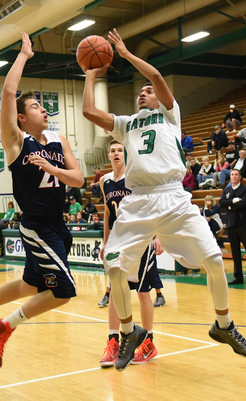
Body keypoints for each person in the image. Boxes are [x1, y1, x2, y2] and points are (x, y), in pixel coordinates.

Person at [82, 28, 246, 371]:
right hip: (139, 201)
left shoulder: (170, 116)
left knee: (215, 260)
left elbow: (157, 75)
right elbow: (89, 111)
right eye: (140, 92)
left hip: (174, 198)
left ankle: (223, 325)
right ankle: (130, 333)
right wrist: (90, 74)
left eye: (148, 91)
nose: (144, 93)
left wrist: (127, 54)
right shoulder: (126, 124)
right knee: (113, 268)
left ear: (160, 100)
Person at [0, 32, 84, 368]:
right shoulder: (16, 142)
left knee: (31, 284)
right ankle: (2, 326)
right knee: (63, 292)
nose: (43, 110)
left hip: (58, 225)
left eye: (42, 106)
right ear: (20, 118)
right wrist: (24, 55)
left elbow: (79, 179)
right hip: (37, 226)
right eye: (34, 107)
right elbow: (8, 93)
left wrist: (52, 168)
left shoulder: (59, 141)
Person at [98, 141, 164, 368]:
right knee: (116, 291)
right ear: (108, 155)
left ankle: (148, 343)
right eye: (113, 150)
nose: (116, 153)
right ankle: (113, 342)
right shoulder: (104, 181)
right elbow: (108, 213)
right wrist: (105, 244)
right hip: (118, 243)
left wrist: (158, 235)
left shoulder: (137, 177)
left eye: (120, 150)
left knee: (144, 293)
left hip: (140, 240)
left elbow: (154, 205)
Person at [220, 169, 246, 286]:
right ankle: (238, 277)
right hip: (231, 224)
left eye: (236, 174)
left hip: (244, 224)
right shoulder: (226, 190)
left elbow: (244, 203)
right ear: (230, 177)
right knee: (235, 252)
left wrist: (230, 205)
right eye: (232, 175)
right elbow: (222, 203)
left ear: (240, 177)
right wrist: (234, 201)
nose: (234, 176)